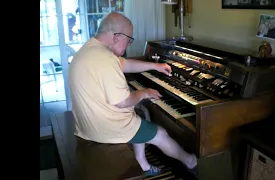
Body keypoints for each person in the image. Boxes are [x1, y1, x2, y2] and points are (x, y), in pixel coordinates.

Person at [68, 12, 198, 178]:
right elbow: (123, 102)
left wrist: (155, 66)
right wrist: (144, 93)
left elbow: (126, 64)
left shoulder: (90, 49)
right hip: (106, 129)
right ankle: (191, 161)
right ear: (117, 37)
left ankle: (142, 162)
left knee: (139, 115)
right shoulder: (105, 60)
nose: (128, 45)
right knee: (160, 133)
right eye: (128, 40)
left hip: (87, 126)